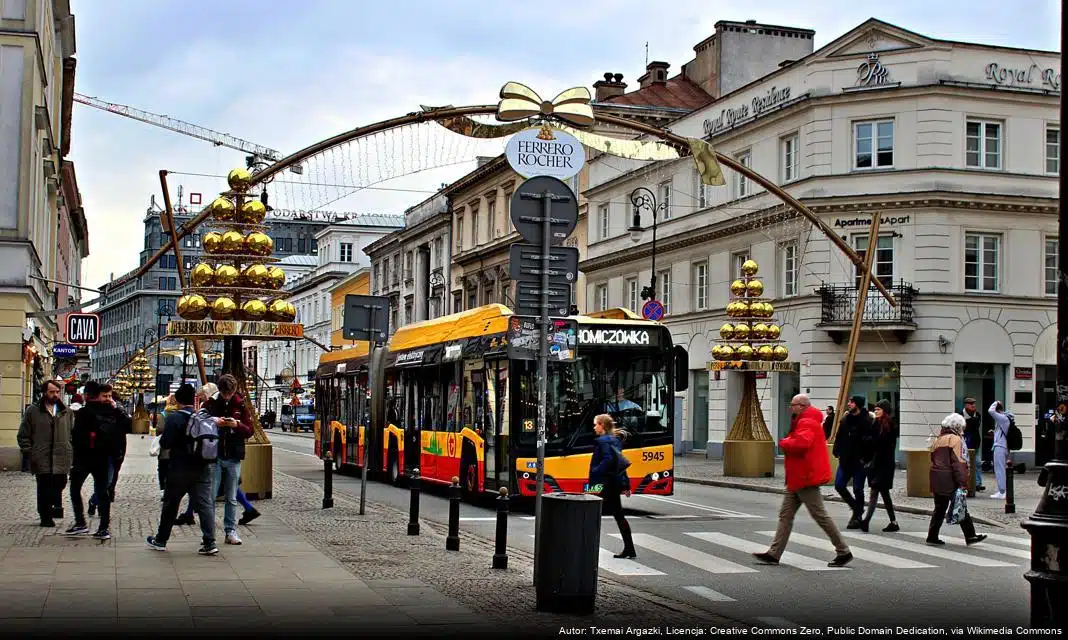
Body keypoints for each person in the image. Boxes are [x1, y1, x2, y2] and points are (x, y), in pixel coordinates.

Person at [753, 394, 853, 567]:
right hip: (797, 477)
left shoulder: (807, 422)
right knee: (786, 515)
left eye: (793, 405)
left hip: (805, 477)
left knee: (820, 516)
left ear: (802, 406)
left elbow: (802, 444)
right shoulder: (806, 421)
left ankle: (843, 551)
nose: (791, 407)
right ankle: (774, 553)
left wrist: (785, 442)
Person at [177, 382, 261, 529]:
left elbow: (249, 430)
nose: (202, 398)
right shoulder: (210, 405)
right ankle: (207, 529)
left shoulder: (240, 405)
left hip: (231, 453)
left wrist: (236, 425)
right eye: (224, 393)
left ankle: (231, 527)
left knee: (228, 494)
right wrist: (216, 422)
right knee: (213, 492)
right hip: (214, 453)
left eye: (203, 395)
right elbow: (200, 423)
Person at [147, 383, 218, 555]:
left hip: (179, 468)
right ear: (193, 400)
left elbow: (165, 443)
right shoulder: (202, 417)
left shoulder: (173, 418)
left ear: (177, 400)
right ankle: (210, 542)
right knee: (204, 505)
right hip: (201, 466)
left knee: (171, 505)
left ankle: (161, 540)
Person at [66, 381, 120, 540]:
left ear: (86, 395)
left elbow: (76, 437)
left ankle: (80, 522)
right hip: (103, 457)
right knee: (103, 492)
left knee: (75, 488)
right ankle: (103, 527)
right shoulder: (110, 411)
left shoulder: (84, 412)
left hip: (84, 457)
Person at [17, 380, 73, 527]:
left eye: (57, 392)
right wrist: (29, 451)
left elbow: (72, 432)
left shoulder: (65, 411)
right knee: (44, 487)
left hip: (61, 455)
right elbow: (23, 434)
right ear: (44, 392)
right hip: (41, 455)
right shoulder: (34, 411)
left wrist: (70, 448)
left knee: (60, 483)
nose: (55, 395)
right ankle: (45, 516)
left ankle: (52, 506)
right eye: (51, 392)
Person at [926, 413, 988, 546]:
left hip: (937, 478)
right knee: (961, 507)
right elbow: (958, 463)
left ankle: (932, 536)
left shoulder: (938, 440)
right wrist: (962, 482)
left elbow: (933, 459)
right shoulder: (956, 440)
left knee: (939, 508)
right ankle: (970, 536)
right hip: (951, 479)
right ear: (958, 427)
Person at [588, 414, 635, 559]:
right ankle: (629, 548)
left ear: (602, 425)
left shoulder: (602, 442)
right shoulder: (614, 441)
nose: (594, 427)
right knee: (619, 515)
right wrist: (626, 484)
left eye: (596, 424)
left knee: (590, 513)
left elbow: (608, 460)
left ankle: (587, 549)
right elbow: (620, 463)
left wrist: (596, 472)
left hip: (603, 484)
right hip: (613, 483)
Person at [88, 384, 131, 519]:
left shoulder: (117, 410)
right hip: (97, 452)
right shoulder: (93, 411)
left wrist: (118, 410)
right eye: (104, 396)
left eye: (109, 396)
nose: (107, 399)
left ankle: (95, 501)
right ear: (98, 396)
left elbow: (129, 426)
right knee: (102, 481)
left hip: (114, 451)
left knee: (109, 481)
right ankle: (100, 505)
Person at [859, 400, 899, 533]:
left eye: (878, 409)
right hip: (876, 463)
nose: (875, 411)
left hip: (885, 464)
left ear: (884, 411)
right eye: (875, 409)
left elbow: (884, 444)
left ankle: (866, 521)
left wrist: (870, 441)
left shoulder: (890, 425)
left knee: (875, 490)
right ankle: (893, 522)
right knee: (884, 493)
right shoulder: (875, 423)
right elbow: (870, 441)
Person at [832, 396, 870, 529]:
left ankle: (857, 517)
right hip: (845, 459)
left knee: (858, 489)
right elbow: (839, 436)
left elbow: (870, 442)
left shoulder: (867, 420)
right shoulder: (845, 419)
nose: (849, 404)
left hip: (859, 462)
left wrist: (866, 458)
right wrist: (836, 450)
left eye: (851, 402)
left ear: (858, 405)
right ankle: (857, 508)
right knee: (839, 485)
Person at [988, 401, 1012, 499]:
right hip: (1004, 445)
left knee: (999, 469)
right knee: (1002, 469)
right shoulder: (1007, 418)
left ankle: (1002, 492)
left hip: (1000, 446)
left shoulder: (1002, 418)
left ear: (998, 410)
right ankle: (1003, 490)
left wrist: (995, 402)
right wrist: (995, 433)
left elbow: (990, 411)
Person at [961, 398, 985, 492]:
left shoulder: (977, 415)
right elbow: (965, 427)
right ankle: (966, 482)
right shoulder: (960, 415)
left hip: (975, 442)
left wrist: (971, 420)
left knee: (977, 463)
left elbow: (975, 425)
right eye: (971, 404)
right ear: (966, 405)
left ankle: (978, 483)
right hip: (965, 442)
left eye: (974, 404)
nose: (973, 406)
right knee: (965, 463)